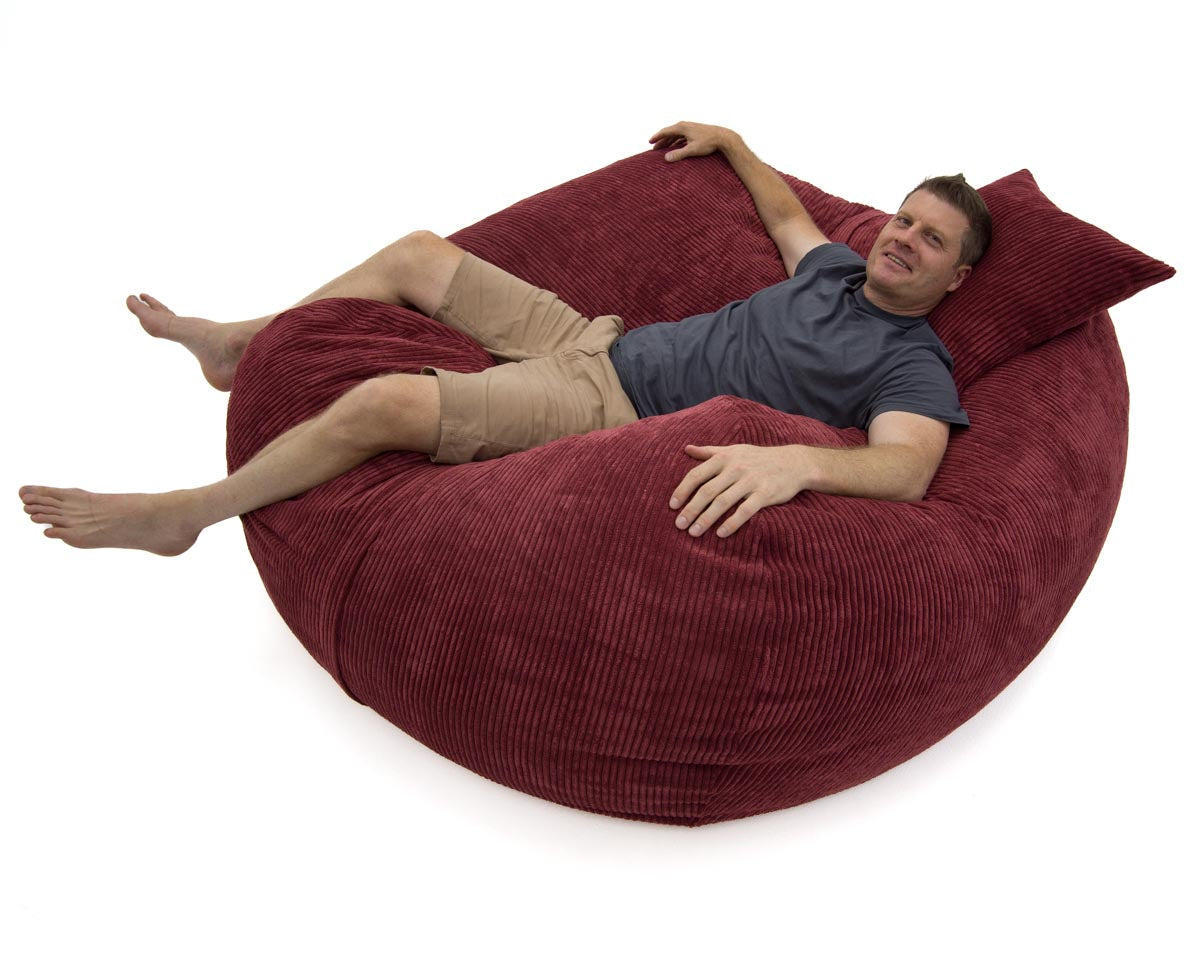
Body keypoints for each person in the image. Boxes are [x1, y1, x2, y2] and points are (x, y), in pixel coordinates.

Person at [18, 121, 991, 555]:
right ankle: (237, 345)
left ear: (957, 276)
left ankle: (192, 511)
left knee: (387, 402)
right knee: (416, 254)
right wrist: (735, 143)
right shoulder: (835, 267)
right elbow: (787, 218)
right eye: (902, 221)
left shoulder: (910, 361)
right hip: (601, 339)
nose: (902, 240)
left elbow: (906, 469)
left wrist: (797, 469)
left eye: (930, 239)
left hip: (615, 406)